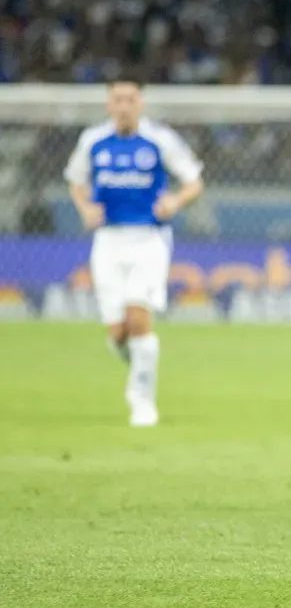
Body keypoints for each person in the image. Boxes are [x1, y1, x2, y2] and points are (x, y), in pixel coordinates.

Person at [64, 78, 204, 427]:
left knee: (139, 318)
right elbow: (76, 180)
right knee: (118, 333)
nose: (124, 105)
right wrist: (84, 208)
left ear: (141, 103)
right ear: (108, 105)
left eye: (130, 99)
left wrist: (175, 201)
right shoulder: (93, 141)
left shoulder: (160, 139)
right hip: (108, 241)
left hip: (149, 239)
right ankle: (140, 366)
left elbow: (193, 181)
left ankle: (142, 401)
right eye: (117, 99)